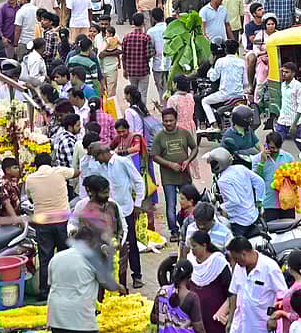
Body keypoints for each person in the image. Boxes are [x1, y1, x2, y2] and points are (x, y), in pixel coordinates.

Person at [47, 224, 127, 333]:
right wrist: (121, 288)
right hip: (80, 319)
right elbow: (108, 284)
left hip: (56, 317)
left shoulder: (56, 258)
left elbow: (51, 284)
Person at [89, 143, 146, 289]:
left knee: (130, 243)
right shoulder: (100, 167)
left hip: (126, 210)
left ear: (103, 153)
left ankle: (137, 276)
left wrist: (138, 203)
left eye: (96, 156)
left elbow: (138, 182)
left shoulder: (123, 162)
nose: (96, 160)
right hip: (107, 212)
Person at [24, 152, 75, 301]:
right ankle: (66, 288)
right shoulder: (60, 171)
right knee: (65, 256)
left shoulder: (30, 178)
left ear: (36, 165)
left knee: (45, 258)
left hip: (43, 223)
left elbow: (30, 198)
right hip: (62, 222)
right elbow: (76, 172)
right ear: (51, 163)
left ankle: (44, 291)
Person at [221, 236, 287, 333]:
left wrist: (274, 317)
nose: (234, 262)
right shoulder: (239, 267)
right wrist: (230, 320)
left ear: (243, 254)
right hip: (240, 326)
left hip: (261, 327)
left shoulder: (270, 267)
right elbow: (234, 293)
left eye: (235, 258)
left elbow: (283, 296)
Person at [153, 108, 199, 242]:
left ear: (176, 120)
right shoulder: (159, 137)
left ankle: (191, 226)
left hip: (184, 175)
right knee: (171, 204)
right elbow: (154, 155)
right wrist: (169, 164)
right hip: (168, 178)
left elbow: (194, 147)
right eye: (165, 121)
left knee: (190, 202)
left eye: (171, 120)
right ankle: (174, 231)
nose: (168, 123)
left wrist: (188, 160)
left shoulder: (184, 133)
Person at [209, 148, 265, 237]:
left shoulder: (223, 180)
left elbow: (234, 201)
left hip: (240, 222)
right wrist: (258, 202)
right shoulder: (240, 168)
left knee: (232, 244)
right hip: (254, 216)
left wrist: (220, 207)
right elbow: (260, 182)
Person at [188, 230, 232, 333]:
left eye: (195, 246)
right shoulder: (191, 261)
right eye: (191, 246)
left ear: (204, 246)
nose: (192, 249)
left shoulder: (218, 262)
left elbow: (230, 291)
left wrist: (225, 311)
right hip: (196, 315)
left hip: (215, 315)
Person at [150, 260, 207, 333]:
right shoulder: (192, 297)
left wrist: (167, 319)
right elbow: (199, 328)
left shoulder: (162, 291)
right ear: (190, 277)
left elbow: (153, 318)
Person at [202, 40, 247, 127]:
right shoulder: (242, 62)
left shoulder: (221, 61)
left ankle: (213, 124)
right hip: (239, 95)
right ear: (236, 50)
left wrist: (210, 71)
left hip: (225, 94)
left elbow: (214, 78)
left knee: (204, 101)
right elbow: (245, 82)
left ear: (225, 50)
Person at [251, 132, 295, 221]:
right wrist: (262, 162)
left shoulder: (288, 157)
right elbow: (255, 180)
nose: (275, 150)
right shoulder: (257, 159)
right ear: (266, 145)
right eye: (272, 148)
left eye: (278, 148)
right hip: (268, 203)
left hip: (287, 201)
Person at [122, 12, 155, 100]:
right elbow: (149, 54)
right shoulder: (146, 37)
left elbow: (123, 55)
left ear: (133, 22)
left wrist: (124, 69)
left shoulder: (126, 37)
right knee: (142, 94)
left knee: (134, 93)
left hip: (131, 71)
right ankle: (142, 108)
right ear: (143, 23)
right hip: (143, 70)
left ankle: (134, 107)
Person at [274, 62, 301, 143]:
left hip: (294, 123)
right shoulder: (282, 85)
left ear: (293, 73)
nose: (284, 74)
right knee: (274, 143)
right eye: (283, 71)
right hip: (282, 122)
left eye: (287, 72)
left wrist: (294, 124)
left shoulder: (298, 86)